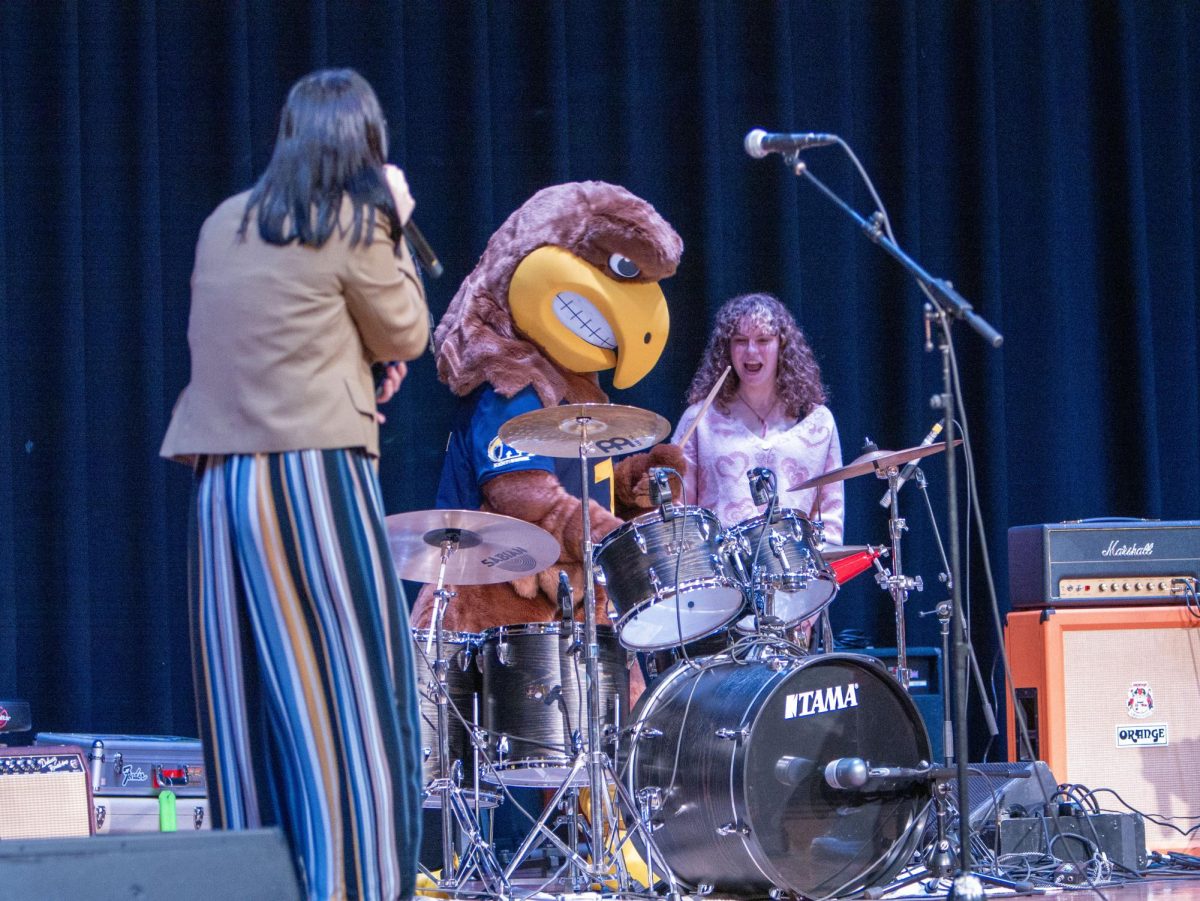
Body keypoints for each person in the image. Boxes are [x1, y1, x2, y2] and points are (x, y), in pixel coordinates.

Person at [160, 69, 430, 901]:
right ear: (363, 146)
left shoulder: (222, 223)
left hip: (220, 489)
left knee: (247, 717)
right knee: (355, 709)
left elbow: (275, 331)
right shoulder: (353, 218)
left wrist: (350, 363)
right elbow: (408, 331)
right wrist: (397, 216)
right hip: (310, 479)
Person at [674, 291, 844, 549]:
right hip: (723, 578)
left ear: (782, 346)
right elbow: (679, 510)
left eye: (763, 340)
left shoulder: (817, 421)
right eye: (740, 340)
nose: (751, 351)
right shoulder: (699, 419)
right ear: (727, 349)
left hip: (796, 576)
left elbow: (830, 517)